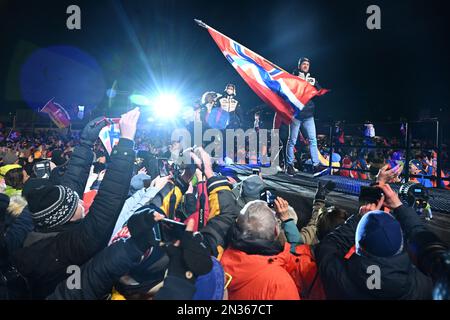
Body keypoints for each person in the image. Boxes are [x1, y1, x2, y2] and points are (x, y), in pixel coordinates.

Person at [11, 108, 141, 299]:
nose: (81, 200)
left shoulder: (40, 235)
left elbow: (70, 187)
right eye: (76, 205)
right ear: (65, 218)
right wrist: (126, 142)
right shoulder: (66, 249)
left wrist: (86, 144)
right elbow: (107, 203)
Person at [316, 183, 433, 299]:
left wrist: (359, 219)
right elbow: (426, 242)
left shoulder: (339, 279)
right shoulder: (422, 284)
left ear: (358, 246)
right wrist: (399, 206)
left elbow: (328, 244)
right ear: (402, 244)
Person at [286, 57, 323, 175]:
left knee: (313, 140)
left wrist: (315, 85)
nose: (306, 66)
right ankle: (289, 165)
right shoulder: (293, 77)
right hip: (296, 114)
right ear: (299, 66)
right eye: (304, 64)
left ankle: (316, 165)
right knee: (292, 140)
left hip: (309, 114)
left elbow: (320, 91)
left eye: (307, 64)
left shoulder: (312, 79)